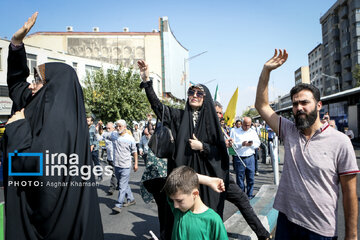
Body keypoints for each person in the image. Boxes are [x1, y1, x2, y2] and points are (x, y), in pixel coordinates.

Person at [3, 12, 103, 239]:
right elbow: (18, 85)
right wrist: (17, 44)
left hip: (51, 225)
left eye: (37, 79)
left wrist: (17, 129)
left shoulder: (61, 123)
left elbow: (40, 173)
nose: (31, 85)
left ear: (54, 88)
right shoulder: (38, 104)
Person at [255, 49, 359, 240]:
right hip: (287, 222)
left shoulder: (341, 142)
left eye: (304, 102)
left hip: (320, 231)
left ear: (319, 105)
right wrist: (266, 71)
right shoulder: (288, 130)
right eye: (295, 104)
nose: (299, 108)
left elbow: (350, 193)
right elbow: (261, 105)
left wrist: (351, 236)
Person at [138, 60, 229, 239]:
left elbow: (221, 153)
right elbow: (158, 107)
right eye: (191, 92)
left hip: (208, 177)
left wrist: (203, 147)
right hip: (182, 175)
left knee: (207, 217)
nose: (194, 95)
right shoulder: (178, 117)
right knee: (179, 216)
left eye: (199, 93)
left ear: (206, 98)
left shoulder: (212, 123)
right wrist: (147, 80)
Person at [214, 101, 271, 239]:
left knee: (243, 197)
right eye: (217, 112)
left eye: (221, 113)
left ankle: (263, 235)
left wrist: (226, 144)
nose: (220, 116)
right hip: (212, 176)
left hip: (226, 172)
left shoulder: (220, 128)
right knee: (216, 208)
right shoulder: (207, 128)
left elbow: (257, 143)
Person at [163, 166, 228, 240]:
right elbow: (173, 179)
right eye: (173, 200)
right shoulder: (179, 210)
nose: (175, 206)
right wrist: (208, 180)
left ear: (195, 194)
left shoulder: (213, 219)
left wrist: (206, 180)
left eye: (179, 201)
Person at [110, 119, 138, 213]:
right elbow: (103, 135)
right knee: (124, 184)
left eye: (120, 126)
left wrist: (136, 163)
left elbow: (134, 152)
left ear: (125, 127)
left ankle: (118, 205)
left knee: (122, 185)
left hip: (126, 165)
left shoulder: (130, 138)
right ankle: (131, 199)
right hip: (116, 165)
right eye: (117, 126)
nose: (118, 128)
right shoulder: (114, 135)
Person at [230, 117, 260, 198]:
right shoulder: (234, 131)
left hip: (250, 157)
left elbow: (258, 143)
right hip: (239, 158)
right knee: (240, 179)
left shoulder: (253, 132)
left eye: (249, 125)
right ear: (242, 124)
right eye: (245, 125)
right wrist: (241, 144)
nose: (247, 127)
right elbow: (232, 145)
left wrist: (251, 145)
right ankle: (242, 197)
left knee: (251, 178)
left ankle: (249, 195)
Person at [87, 115, 101, 181]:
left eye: (88, 120)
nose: (86, 121)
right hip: (87, 149)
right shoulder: (85, 127)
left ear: (92, 122)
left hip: (94, 149)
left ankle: (99, 175)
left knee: (96, 163)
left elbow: (96, 139)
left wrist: (92, 146)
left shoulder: (94, 129)